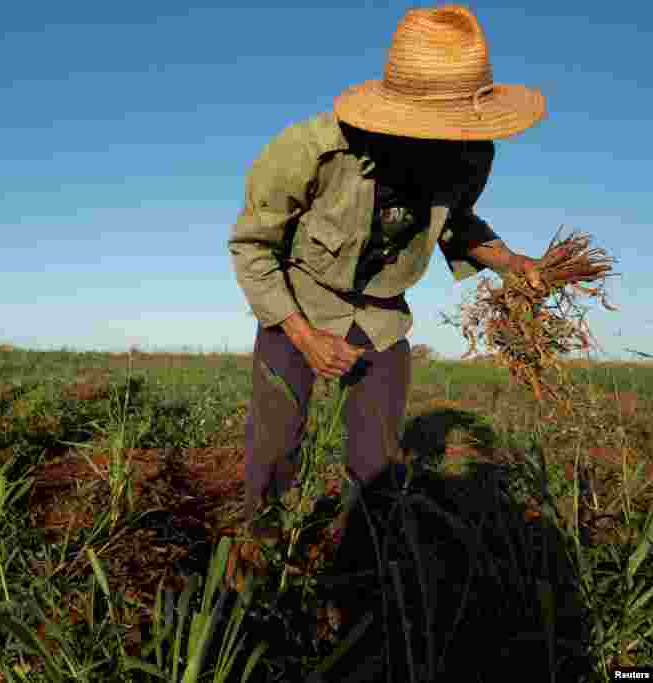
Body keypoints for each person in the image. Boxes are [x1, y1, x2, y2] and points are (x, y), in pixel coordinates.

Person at [226, 4, 549, 589]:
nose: (450, 144)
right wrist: (303, 335)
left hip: (380, 317)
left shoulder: (470, 155)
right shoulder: (309, 149)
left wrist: (509, 262)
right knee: (273, 448)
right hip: (298, 304)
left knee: (376, 465)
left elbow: (456, 222)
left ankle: (362, 577)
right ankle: (259, 567)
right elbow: (253, 248)